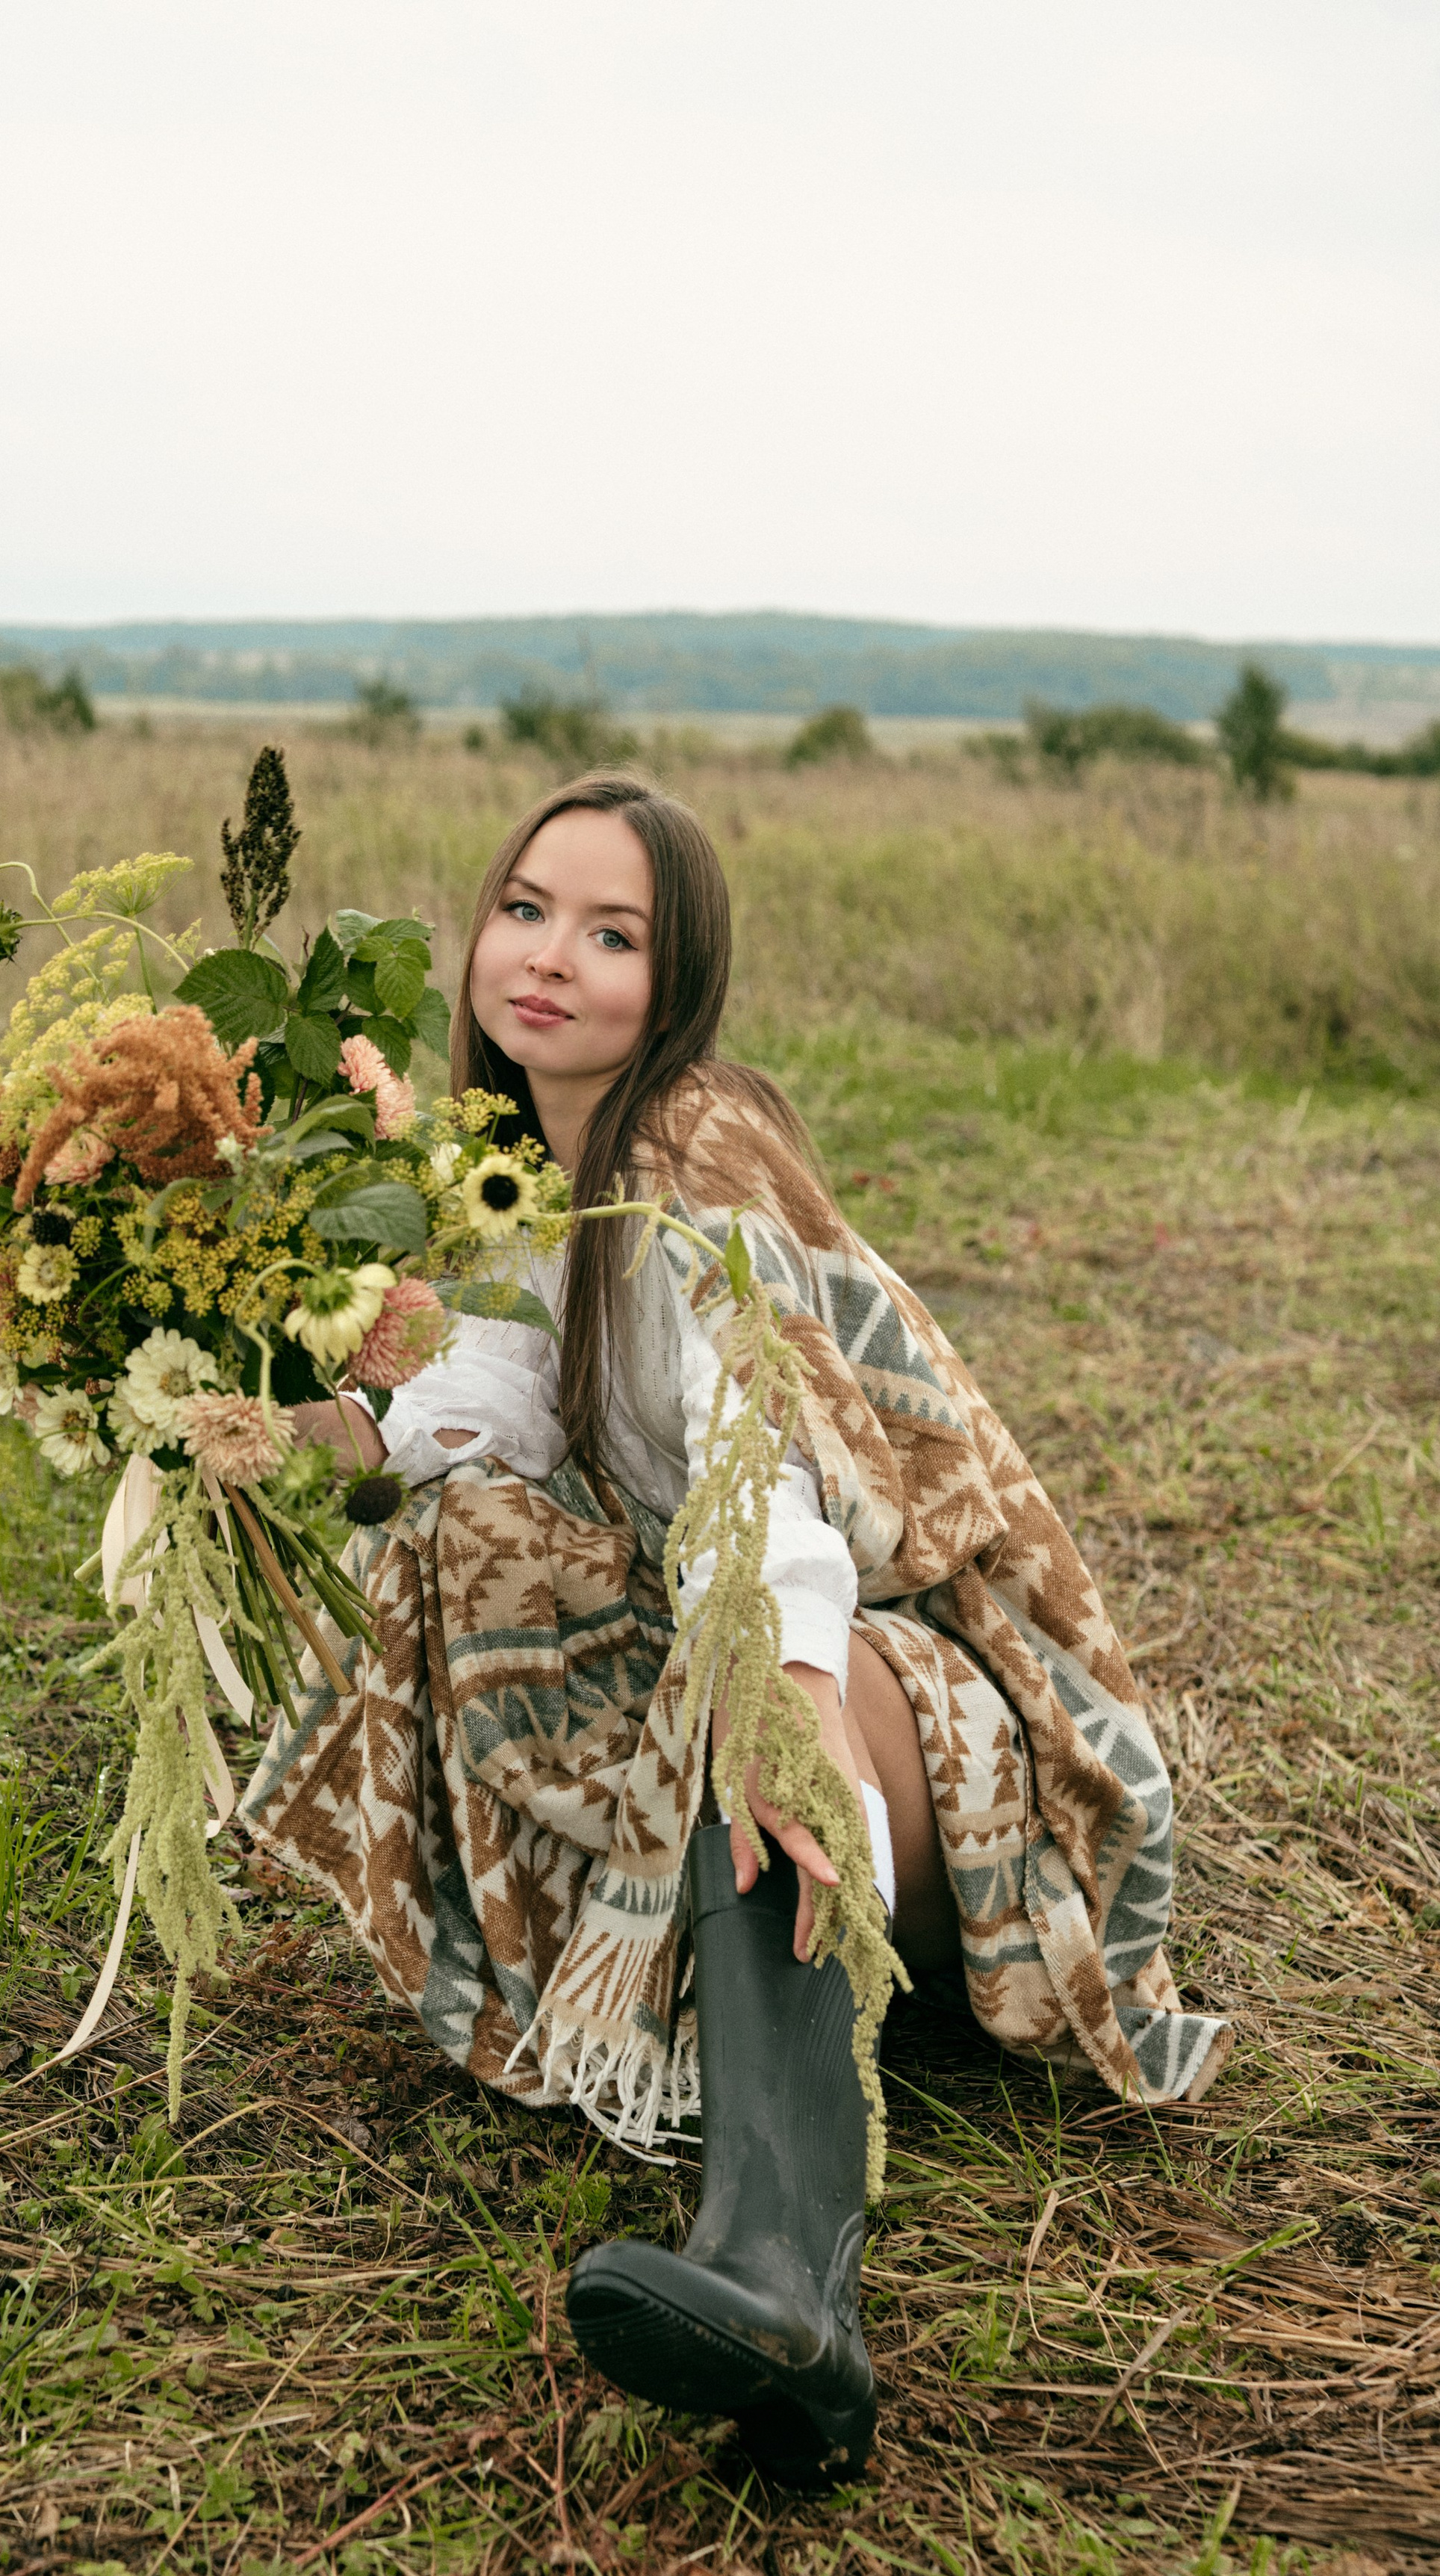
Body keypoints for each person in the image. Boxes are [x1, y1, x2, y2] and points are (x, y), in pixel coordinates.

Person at [240, 772, 1229, 2485]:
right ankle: (710, 2046)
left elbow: (758, 1452)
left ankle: (784, 2278)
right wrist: (302, 1429)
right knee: (467, 1536)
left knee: (730, 1661)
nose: (547, 958)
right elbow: (493, 1411)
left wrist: (776, 1682)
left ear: (677, 976)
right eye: (526, 909)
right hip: (765, 1657)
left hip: (927, 1697)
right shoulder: (507, 1168)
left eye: (610, 934)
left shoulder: (693, 1142)